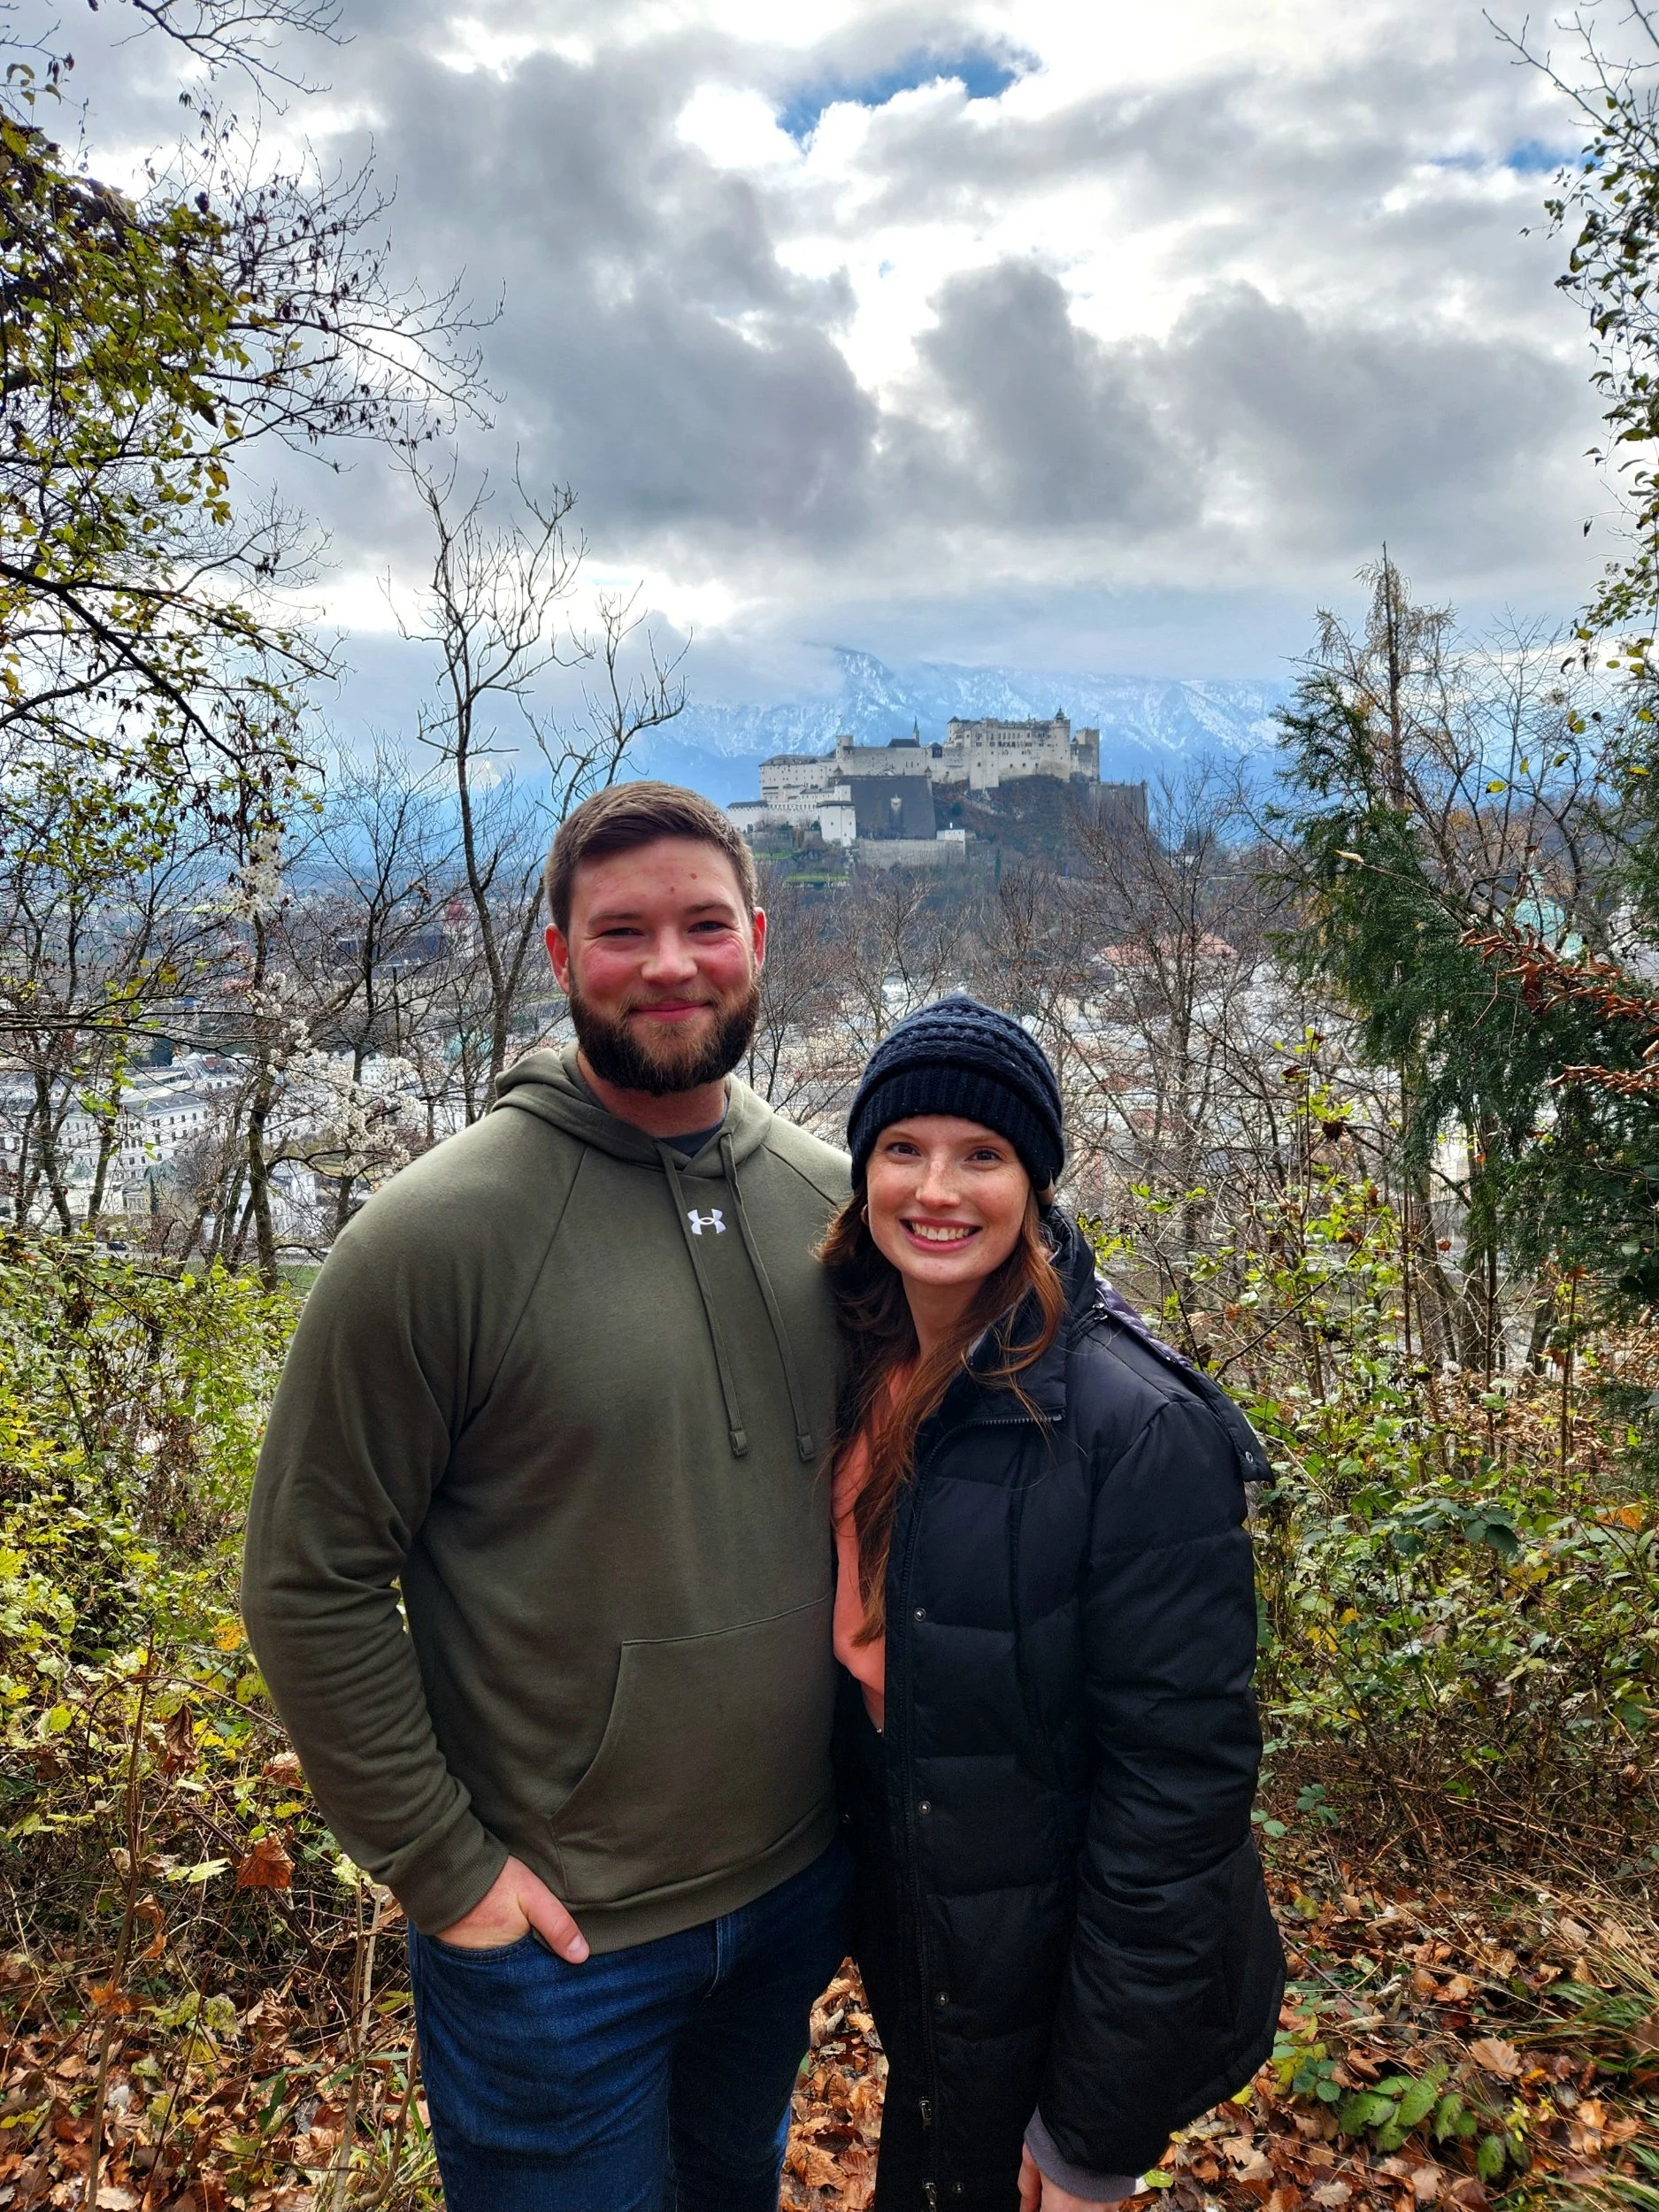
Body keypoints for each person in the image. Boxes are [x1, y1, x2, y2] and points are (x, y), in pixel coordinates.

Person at [242, 781, 852, 2212]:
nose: (668, 964)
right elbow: (310, 1576)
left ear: (757, 940)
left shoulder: (838, 1211)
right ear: (561, 954)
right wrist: (444, 1871)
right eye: (622, 931)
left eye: (704, 925)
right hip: (556, 1947)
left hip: (792, 1892)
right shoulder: (435, 1239)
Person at [824, 996, 1286, 2212]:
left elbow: (1177, 1802)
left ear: (1034, 1183)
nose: (937, 1189)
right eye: (902, 1149)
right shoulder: (857, 1366)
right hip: (935, 1965)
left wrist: (1091, 2133)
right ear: (862, 1172)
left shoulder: (1136, 1427)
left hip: (1056, 2001)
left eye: (982, 1154)